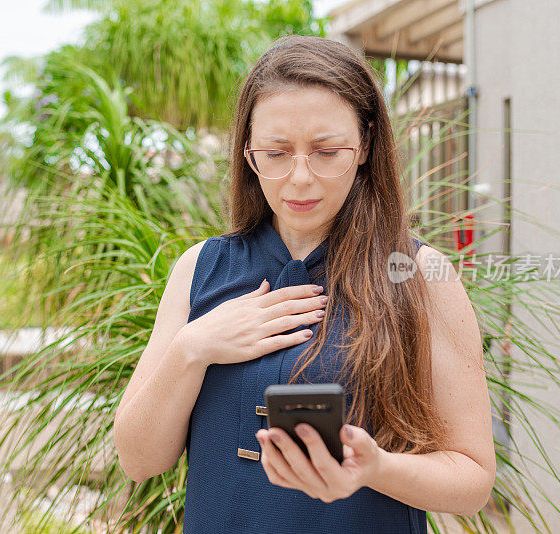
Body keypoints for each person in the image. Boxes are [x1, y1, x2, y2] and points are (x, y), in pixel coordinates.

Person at [113, 34, 495, 533]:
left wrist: (376, 467)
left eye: (326, 151)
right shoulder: (199, 269)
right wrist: (193, 346)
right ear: (247, 154)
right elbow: (138, 461)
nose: (299, 178)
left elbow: (473, 481)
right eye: (275, 153)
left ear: (365, 145)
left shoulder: (421, 277)